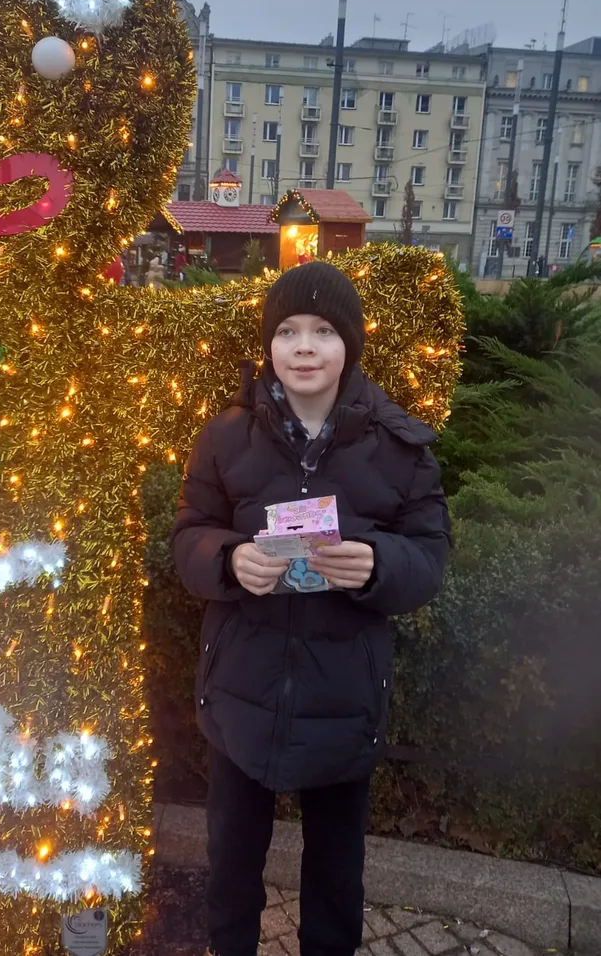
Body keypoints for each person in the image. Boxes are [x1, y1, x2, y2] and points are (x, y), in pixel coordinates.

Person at [170, 261, 451, 956]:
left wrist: (379, 564)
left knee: (335, 880)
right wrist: (228, 560)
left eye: (323, 331)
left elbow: (429, 556)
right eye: (287, 331)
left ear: (348, 344)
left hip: (342, 700)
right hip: (241, 695)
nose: (303, 347)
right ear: (268, 344)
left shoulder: (399, 448)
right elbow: (187, 536)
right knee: (231, 870)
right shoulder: (224, 437)